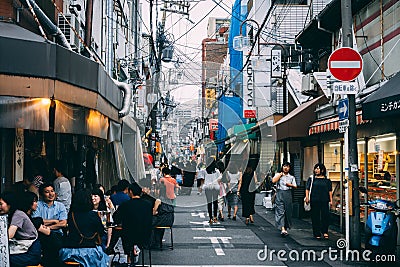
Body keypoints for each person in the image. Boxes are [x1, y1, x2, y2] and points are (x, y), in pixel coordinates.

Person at [59, 189, 109, 267]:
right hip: (89, 251)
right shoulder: (93, 215)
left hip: (69, 251)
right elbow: (101, 232)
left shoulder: (71, 215)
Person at [113, 183, 153, 264]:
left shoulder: (125, 205)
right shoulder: (148, 204)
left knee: (121, 238)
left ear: (130, 191)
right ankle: (134, 253)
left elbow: (116, 218)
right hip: (145, 236)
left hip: (129, 236)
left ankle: (128, 258)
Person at [0, 192, 42, 267]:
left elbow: (9, 235)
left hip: (30, 251)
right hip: (22, 248)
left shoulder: (18, 214)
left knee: (4, 259)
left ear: (9, 204)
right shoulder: (8, 215)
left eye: (1, 204)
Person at [32, 182, 68, 265]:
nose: (51, 194)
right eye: (47, 192)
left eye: (52, 191)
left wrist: (47, 227)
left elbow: (63, 223)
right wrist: (54, 221)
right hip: (41, 234)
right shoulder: (37, 205)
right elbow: (36, 221)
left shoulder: (60, 206)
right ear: (41, 194)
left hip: (57, 235)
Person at [305, 163, 332, 239]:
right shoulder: (312, 179)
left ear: (322, 170)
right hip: (314, 199)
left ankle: (325, 231)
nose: (316, 170)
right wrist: (307, 197)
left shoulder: (327, 180)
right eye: (315, 168)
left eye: (318, 168)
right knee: (315, 216)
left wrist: (331, 200)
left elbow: (330, 191)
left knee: (325, 216)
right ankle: (316, 232)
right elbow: (307, 188)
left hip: (324, 200)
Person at [272, 162, 297, 236]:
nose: (286, 168)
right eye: (284, 166)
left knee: (288, 211)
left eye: (287, 167)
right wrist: (280, 174)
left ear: (290, 168)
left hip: (288, 193)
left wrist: (290, 185)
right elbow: (273, 181)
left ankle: (285, 227)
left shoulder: (291, 177)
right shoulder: (278, 175)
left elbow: (295, 186)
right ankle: (282, 228)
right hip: (279, 193)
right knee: (280, 211)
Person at [203, 159, 221, 224]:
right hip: (215, 187)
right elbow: (219, 179)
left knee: (209, 203)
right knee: (215, 202)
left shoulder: (205, 170)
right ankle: (215, 217)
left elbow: (203, 179)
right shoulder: (217, 171)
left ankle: (210, 218)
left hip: (207, 187)